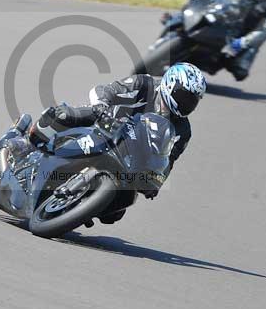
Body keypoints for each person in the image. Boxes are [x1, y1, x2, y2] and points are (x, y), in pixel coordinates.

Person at [29, 63, 206, 218]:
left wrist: (157, 182)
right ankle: (33, 138)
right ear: (170, 84)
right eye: (184, 96)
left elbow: (169, 160)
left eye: (192, 101)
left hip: (132, 157)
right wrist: (101, 106)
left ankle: (74, 206)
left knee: (115, 212)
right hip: (105, 126)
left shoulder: (183, 130)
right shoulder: (145, 84)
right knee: (70, 115)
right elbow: (108, 90)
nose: (186, 104)